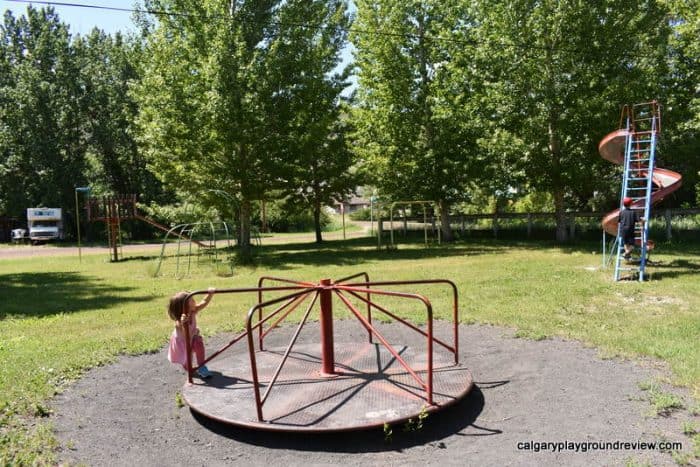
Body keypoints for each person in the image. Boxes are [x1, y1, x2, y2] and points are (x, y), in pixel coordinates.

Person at [167, 288, 215, 378]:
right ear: (184, 306)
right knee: (187, 365)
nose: (194, 301)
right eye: (191, 300)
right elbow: (186, 336)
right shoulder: (179, 323)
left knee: (198, 344)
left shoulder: (193, 311)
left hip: (192, 338)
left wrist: (210, 294)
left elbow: (203, 302)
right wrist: (183, 323)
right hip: (183, 343)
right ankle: (188, 367)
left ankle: (202, 366)